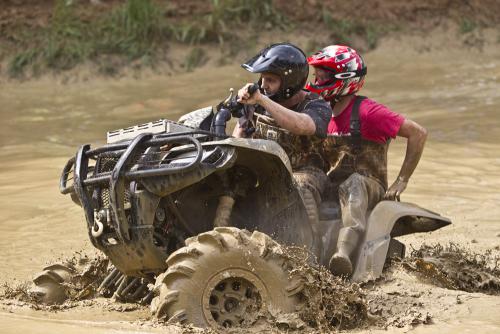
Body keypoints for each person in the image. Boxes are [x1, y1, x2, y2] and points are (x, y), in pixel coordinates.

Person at [305, 45, 428, 276]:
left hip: (368, 185)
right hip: (336, 186)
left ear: (343, 79)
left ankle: (343, 253)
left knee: (353, 183)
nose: (315, 83)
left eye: (321, 78)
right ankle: (307, 250)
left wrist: (402, 180)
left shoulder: (368, 112)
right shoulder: (321, 113)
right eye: (315, 77)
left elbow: (418, 133)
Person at [233, 42, 332, 237]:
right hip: (265, 170)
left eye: (270, 80)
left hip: (306, 172)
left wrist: (262, 100)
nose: (263, 85)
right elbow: (238, 137)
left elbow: (303, 125)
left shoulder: (316, 104)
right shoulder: (257, 102)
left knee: (299, 185)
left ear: (289, 83)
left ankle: (308, 248)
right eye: (262, 78)